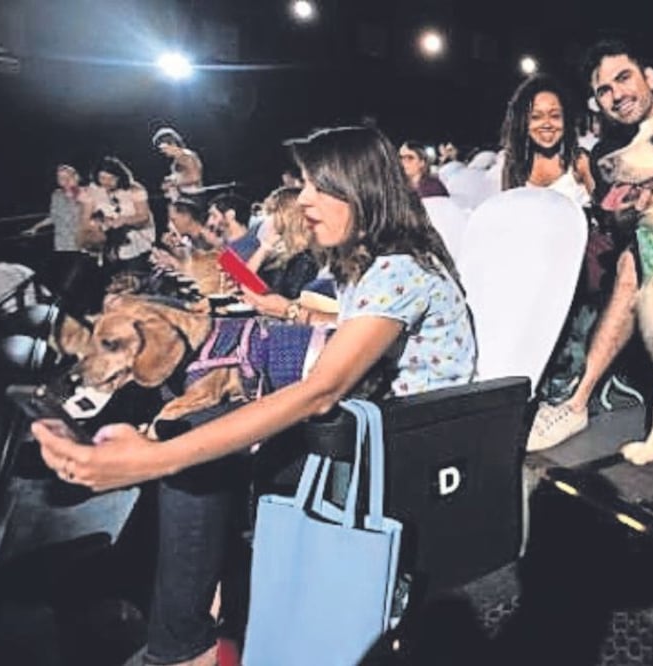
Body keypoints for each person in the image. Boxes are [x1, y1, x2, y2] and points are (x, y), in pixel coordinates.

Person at [33, 125, 476, 666]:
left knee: (192, 446)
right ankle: (144, 590)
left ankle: (182, 646)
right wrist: (285, 309)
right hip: (368, 422)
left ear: (362, 190)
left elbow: (321, 391)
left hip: (397, 444)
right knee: (193, 423)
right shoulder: (369, 266)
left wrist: (152, 461)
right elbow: (353, 332)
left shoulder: (397, 269)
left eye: (318, 186)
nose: (303, 199)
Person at [527, 37, 653, 451]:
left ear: (650, 78)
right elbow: (618, 218)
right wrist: (634, 210)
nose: (616, 95)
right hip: (652, 248)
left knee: (631, 262)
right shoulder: (611, 151)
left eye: (623, 79)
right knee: (632, 254)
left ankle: (576, 401)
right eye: (603, 90)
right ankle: (557, 392)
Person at [499, 74, 594, 208]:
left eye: (555, 116)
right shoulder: (514, 166)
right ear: (523, 123)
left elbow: (604, 214)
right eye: (536, 117)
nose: (547, 124)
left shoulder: (580, 161)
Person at [244, 186, 321, 301]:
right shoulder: (279, 252)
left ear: (286, 218)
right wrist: (263, 249)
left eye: (271, 214)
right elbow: (246, 281)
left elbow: (280, 300)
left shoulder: (305, 259)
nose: (266, 220)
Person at [78, 156, 155, 272]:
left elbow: (144, 217)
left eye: (111, 178)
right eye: (102, 178)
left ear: (120, 177)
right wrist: (98, 223)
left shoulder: (135, 189)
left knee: (133, 275)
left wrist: (123, 221)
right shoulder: (91, 191)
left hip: (135, 237)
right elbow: (85, 218)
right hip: (106, 241)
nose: (106, 182)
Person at [24, 164, 84, 252]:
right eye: (61, 178)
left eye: (69, 177)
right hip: (61, 243)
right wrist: (35, 227)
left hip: (82, 242)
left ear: (76, 177)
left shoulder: (86, 194)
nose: (66, 181)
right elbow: (54, 217)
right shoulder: (56, 195)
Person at [153, 127, 204, 201]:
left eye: (163, 148)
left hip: (193, 197)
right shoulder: (177, 160)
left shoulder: (186, 156)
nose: (162, 151)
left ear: (172, 143)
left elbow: (195, 177)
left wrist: (172, 183)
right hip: (184, 197)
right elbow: (184, 176)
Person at [207, 193, 260, 261]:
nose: (209, 222)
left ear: (230, 215)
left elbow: (239, 271)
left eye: (214, 216)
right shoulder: (224, 247)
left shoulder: (250, 248)